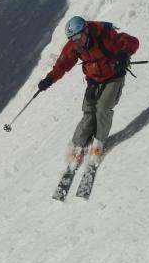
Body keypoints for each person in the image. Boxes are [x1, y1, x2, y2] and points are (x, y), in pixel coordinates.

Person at [37, 15, 139, 166]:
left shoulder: (105, 36)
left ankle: (98, 144)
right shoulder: (75, 45)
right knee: (89, 111)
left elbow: (132, 42)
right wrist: (49, 79)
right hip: (94, 80)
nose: (76, 41)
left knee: (103, 108)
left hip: (113, 77)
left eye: (78, 37)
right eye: (72, 38)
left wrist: (123, 54)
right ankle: (77, 145)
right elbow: (62, 64)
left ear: (86, 31)